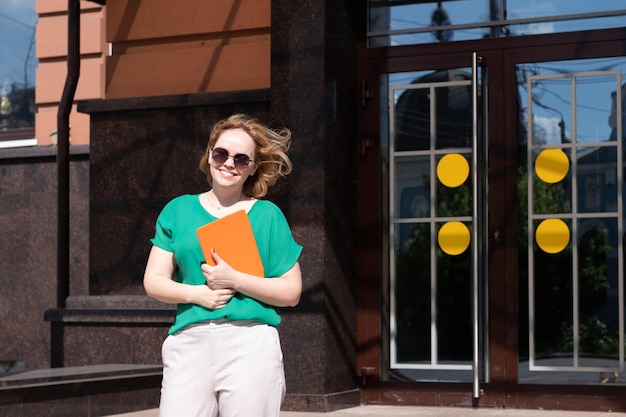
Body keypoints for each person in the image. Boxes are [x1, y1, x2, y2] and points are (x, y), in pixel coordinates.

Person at [143, 113, 303, 417]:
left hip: (250, 341)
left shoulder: (268, 215)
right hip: (189, 341)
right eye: (221, 153)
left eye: (242, 159)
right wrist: (199, 295)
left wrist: (235, 279)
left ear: (253, 168)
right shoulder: (178, 210)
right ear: (209, 154)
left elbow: (291, 291)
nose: (229, 163)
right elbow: (153, 280)